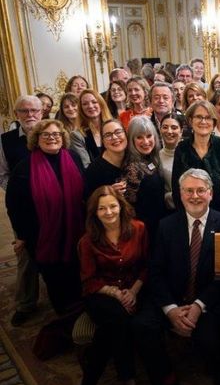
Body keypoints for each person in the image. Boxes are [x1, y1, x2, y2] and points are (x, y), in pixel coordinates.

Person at [133, 168, 220, 385]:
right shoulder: (165, 225)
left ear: (211, 193)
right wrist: (170, 309)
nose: (195, 196)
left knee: (211, 341)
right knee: (143, 327)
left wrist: (199, 306)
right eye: (189, 191)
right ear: (180, 194)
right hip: (171, 297)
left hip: (207, 300)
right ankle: (164, 376)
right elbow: (156, 271)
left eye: (201, 190)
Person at [6, 119, 84, 315]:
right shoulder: (24, 168)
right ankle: (63, 312)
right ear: (36, 139)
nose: (52, 138)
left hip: (75, 227)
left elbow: (84, 191)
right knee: (54, 275)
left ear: (63, 137)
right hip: (41, 233)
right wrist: (22, 235)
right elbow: (14, 205)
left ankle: (80, 309)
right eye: (46, 135)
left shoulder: (73, 157)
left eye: (56, 134)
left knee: (76, 269)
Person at [78, 186, 148, 385]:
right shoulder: (87, 241)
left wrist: (133, 291)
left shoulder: (139, 229)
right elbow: (89, 280)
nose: (108, 212)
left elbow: (146, 266)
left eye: (112, 206)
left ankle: (90, 378)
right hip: (101, 294)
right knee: (118, 318)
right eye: (102, 209)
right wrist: (116, 294)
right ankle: (129, 379)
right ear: (95, 212)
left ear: (121, 206)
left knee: (111, 328)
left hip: (135, 289)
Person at [1, 95, 43, 326]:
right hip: (22, 207)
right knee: (26, 254)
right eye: (24, 111)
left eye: (34, 110)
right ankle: (26, 303)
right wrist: (22, 192)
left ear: (42, 112)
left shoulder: (50, 132)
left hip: (50, 204)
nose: (30, 115)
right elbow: (2, 175)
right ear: (16, 114)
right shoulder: (6, 140)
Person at [172, 100, 220, 215]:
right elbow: (176, 188)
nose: (203, 121)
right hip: (189, 214)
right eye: (199, 117)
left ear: (214, 122)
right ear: (191, 120)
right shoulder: (182, 148)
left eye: (208, 118)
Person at [122, 116, 166, 237]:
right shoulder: (132, 168)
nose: (146, 142)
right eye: (139, 137)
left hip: (159, 225)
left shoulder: (152, 159)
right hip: (144, 231)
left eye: (148, 136)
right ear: (131, 140)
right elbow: (128, 207)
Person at [84, 120, 128, 198]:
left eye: (118, 132)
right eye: (108, 135)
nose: (114, 137)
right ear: (103, 142)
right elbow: (90, 202)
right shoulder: (94, 171)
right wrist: (108, 193)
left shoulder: (135, 157)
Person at [71, 89, 113, 168]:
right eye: (85, 104)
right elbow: (85, 166)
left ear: (101, 104)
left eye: (94, 102)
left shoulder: (113, 127)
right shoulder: (77, 136)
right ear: (81, 108)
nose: (90, 106)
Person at [159, 113, 183, 210]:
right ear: (160, 130)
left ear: (181, 131)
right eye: (165, 127)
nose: (169, 131)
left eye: (174, 127)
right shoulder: (156, 156)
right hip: (165, 211)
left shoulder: (189, 154)